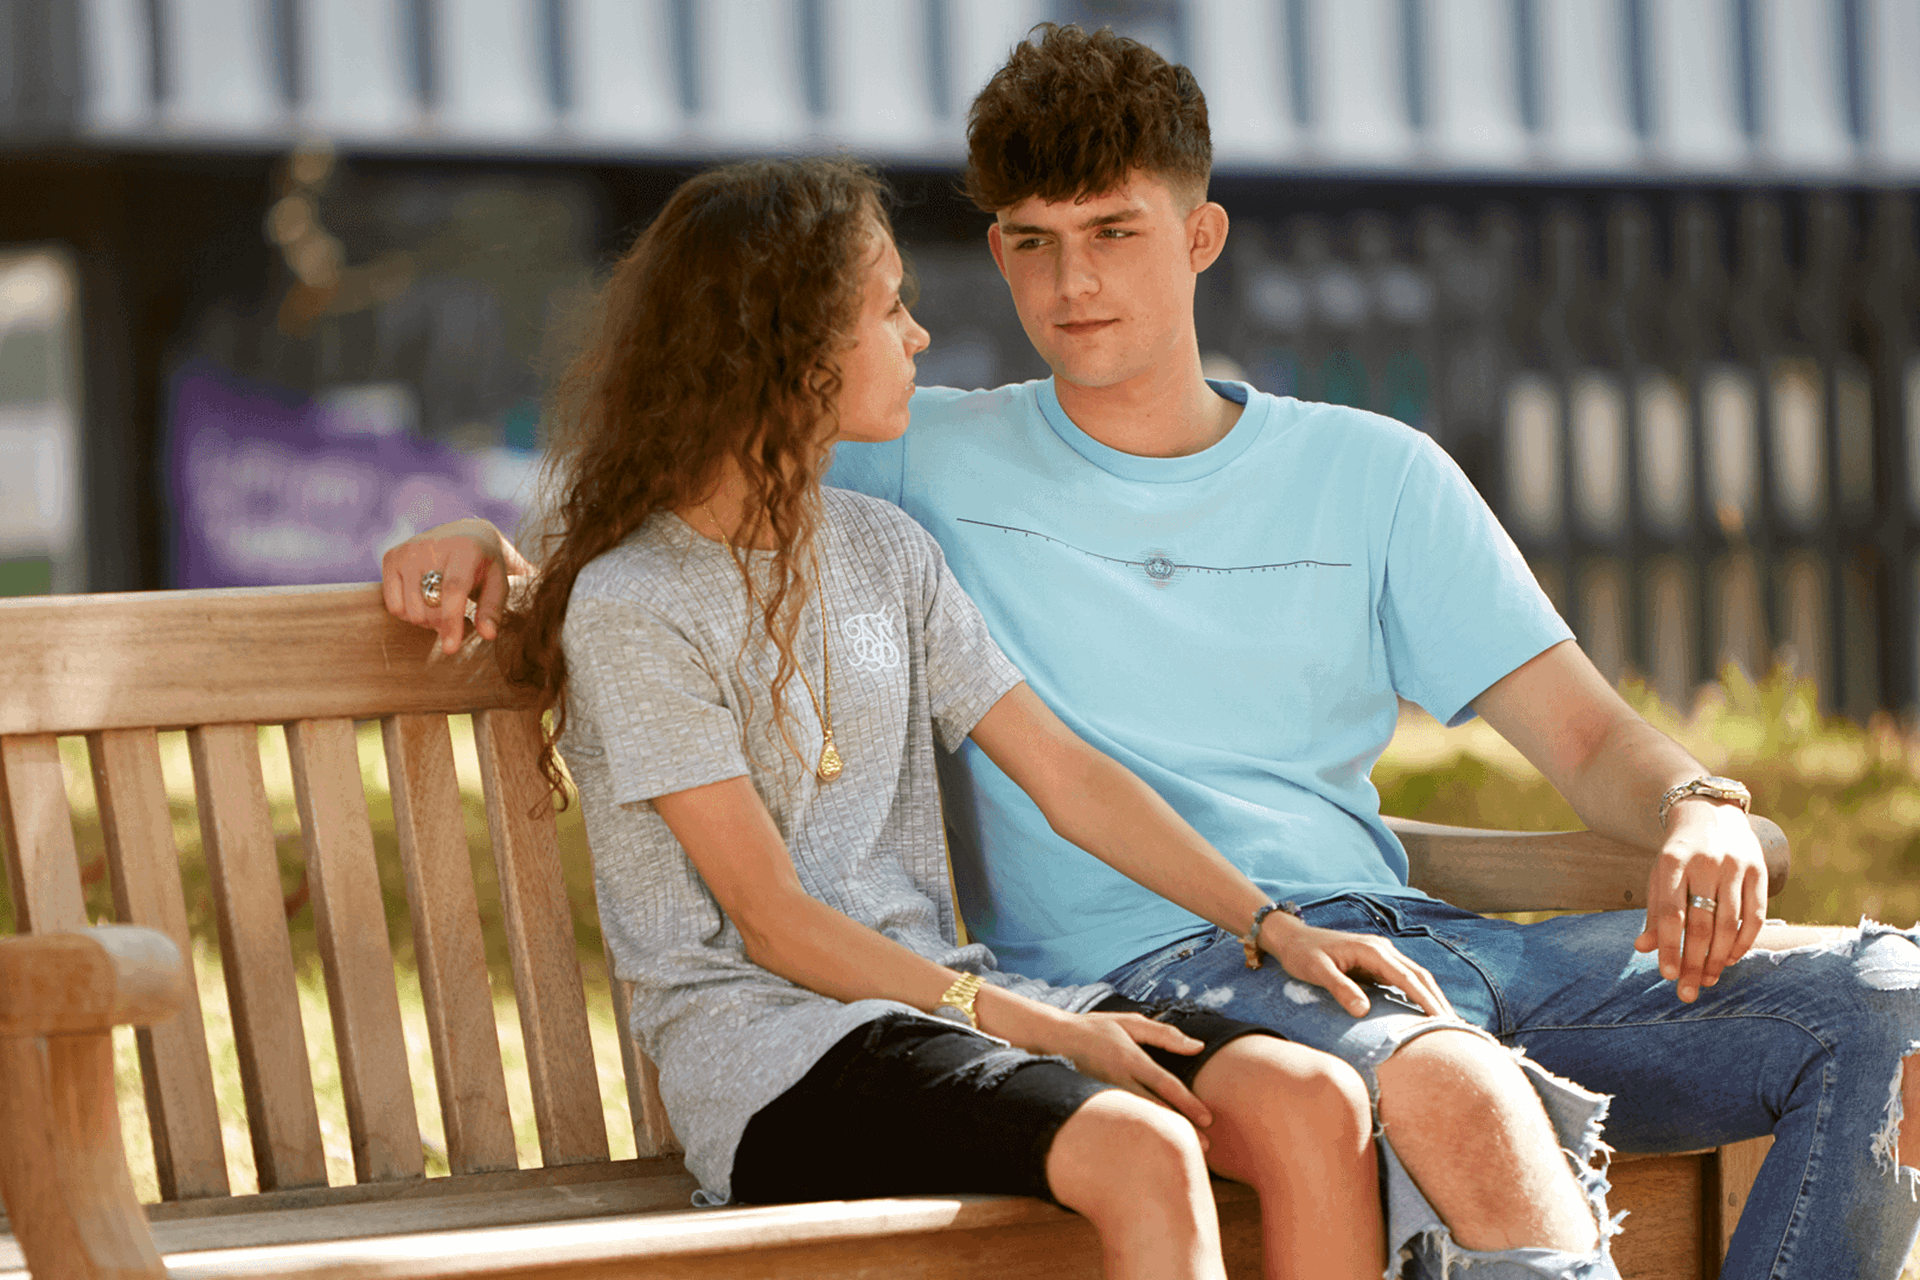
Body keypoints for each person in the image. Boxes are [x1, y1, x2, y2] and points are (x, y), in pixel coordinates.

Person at [384, 25, 1920, 1280]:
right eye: (1029, 245)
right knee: (1444, 1080)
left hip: (1400, 939)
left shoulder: (1373, 472)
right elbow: (683, 495)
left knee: (1886, 1004)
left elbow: (1590, 745)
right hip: (1162, 976)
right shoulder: (923, 467)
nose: (1069, 287)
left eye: (1114, 233)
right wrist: (479, 540)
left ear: (1202, 234)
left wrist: (1707, 801)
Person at [409, 153, 1469, 1280]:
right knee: (1146, 1144)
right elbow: (770, 922)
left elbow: (1064, 771)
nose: (919, 336)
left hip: (938, 996)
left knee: (1311, 1096)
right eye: (890, 307)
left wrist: (1269, 920)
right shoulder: (638, 602)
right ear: (792, 346)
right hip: (772, 1049)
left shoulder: (884, 551)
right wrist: (1041, 1025)